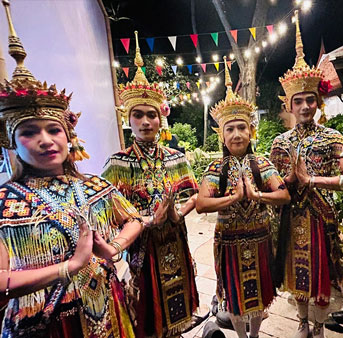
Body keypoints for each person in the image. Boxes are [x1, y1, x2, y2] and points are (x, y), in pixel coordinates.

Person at [0, 2, 142, 336]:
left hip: (106, 306)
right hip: (47, 324)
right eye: (29, 132)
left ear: (68, 137)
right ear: (13, 144)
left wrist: (116, 247)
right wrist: (69, 267)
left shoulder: (93, 184)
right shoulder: (4, 202)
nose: (45, 140)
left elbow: (133, 218)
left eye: (53, 130)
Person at [269, 11, 343, 338]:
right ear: (290, 105)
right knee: (297, 277)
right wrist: (288, 183)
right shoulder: (279, 143)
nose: (305, 106)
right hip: (292, 218)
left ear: (318, 101)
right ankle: (302, 322)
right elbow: (272, 184)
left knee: (320, 277)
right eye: (299, 101)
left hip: (322, 218)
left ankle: (319, 326)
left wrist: (313, 181)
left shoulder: (333, 138)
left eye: (310, 99)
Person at [102, 32, 199, 338]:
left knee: (178, 305)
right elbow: (107, 213)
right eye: (138, 115)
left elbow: (195, 194)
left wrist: (177, 213)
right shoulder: (117, 163)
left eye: (151, 115)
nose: (145, 122)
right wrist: (145, 221)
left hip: (175, 238)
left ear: (161, 120)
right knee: (148, 311)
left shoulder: (175, 157)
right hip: (143, 248)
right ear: (128, 119)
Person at [196, 57, 290, 338]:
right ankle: (240, 336)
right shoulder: (216, 168)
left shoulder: (261, 163)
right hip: (229, 243)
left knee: (259, 299)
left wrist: (257, 194)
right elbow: (201, 204)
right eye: (230, 129)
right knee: (234, 299)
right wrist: (233, 199)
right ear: (221, 136)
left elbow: (283, 194)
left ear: (251, 131)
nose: (237, 134)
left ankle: (255, 335)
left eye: (242, 127)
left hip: (260, 239)